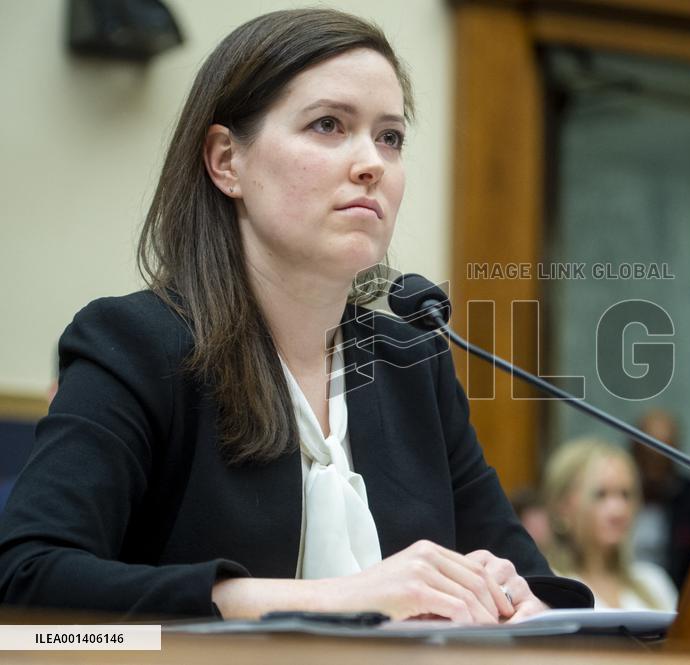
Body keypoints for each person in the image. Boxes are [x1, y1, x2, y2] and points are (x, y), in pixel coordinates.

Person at [0, 9, 590, 622]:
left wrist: (511, 592)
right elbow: (27, 577)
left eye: (390, 137)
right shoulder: (133, 344)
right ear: (227, 161)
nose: (372, 163)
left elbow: (540, 587)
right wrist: (331, 600)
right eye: (329, 125)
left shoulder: (413, 363)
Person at [542, 438, 677, 610]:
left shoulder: (653, 581)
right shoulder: (548, 586)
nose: (619, 510)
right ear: (562, 507)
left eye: (626, 495)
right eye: (600, 495)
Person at [629, 410, 690, 592]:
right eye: (648, 455)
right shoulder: (619, 494)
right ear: (634, 451)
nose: (655, 468)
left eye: (663, 456)